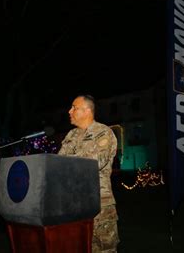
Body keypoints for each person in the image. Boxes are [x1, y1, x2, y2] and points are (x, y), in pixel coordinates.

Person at [58, 95, 119, 253]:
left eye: (74, 107)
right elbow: (57, 165)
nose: (69, 111)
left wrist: (65, 162)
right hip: (72, 205)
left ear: (87, 111)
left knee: (103, 249)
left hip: (98, 205)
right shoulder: (71, 136)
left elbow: (92, 163)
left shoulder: (103, 133)